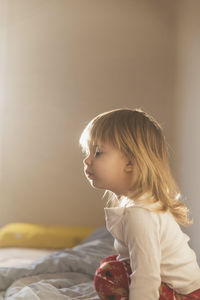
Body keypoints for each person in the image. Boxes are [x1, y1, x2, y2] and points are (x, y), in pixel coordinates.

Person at [79, 108, 200, 300]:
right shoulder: (136, 204)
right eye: (88, 152)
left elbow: (146, 276)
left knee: (109, 275)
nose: (86, 160)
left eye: (98, 152)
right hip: (183, 289)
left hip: (185, 294)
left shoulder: (140, 214)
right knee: (114, 263)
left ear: (131, 162)